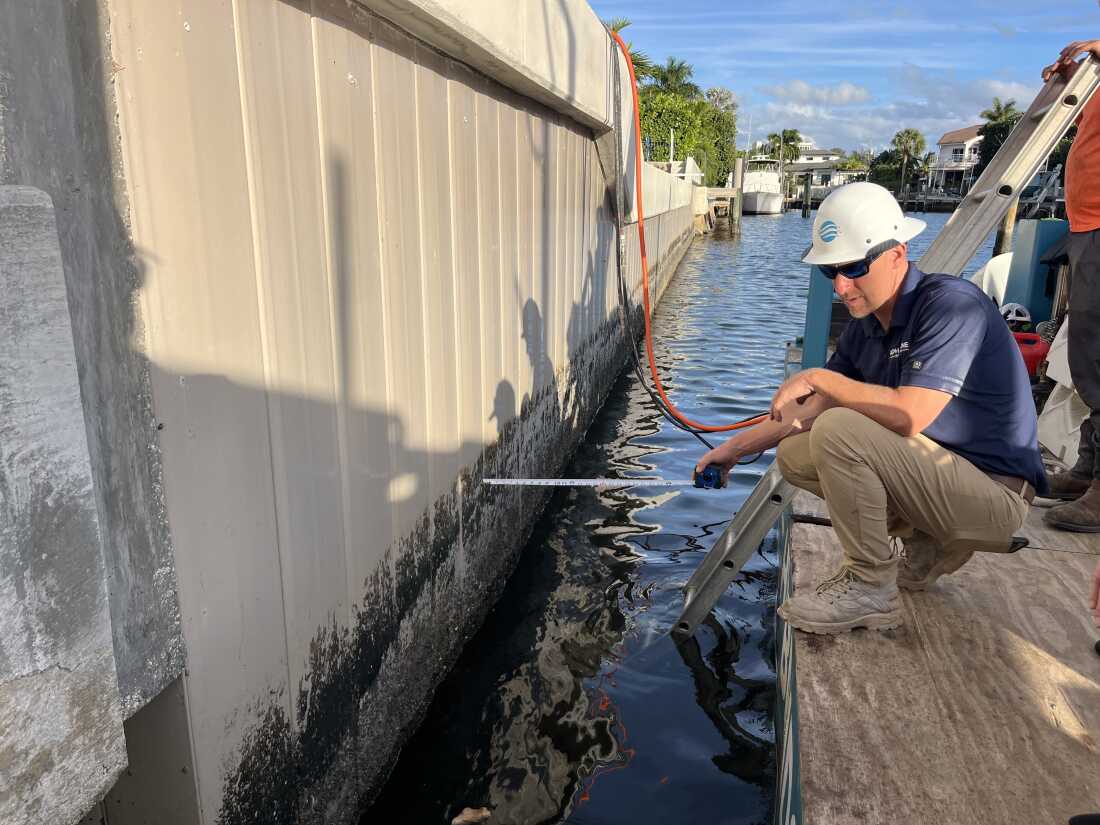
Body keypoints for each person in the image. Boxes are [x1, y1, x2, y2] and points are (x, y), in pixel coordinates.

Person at [696, 182, 1047, 635]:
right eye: (830, 272)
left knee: (840, 430)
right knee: (795, 454)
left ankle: (869, 585)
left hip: (996, 497)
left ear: (898, 254)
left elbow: (908, 416)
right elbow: (809, 410)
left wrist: (821, 377)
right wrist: (734, 449)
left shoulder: (951, 306)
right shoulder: (867, 327)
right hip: (943, 482)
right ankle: (927, 541)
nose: (842, 285)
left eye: (855, 266)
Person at [1040, 40, 1100, 531]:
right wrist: (1070, 83)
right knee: (1085, 354)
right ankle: (1088, 468)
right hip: (1085, 223)